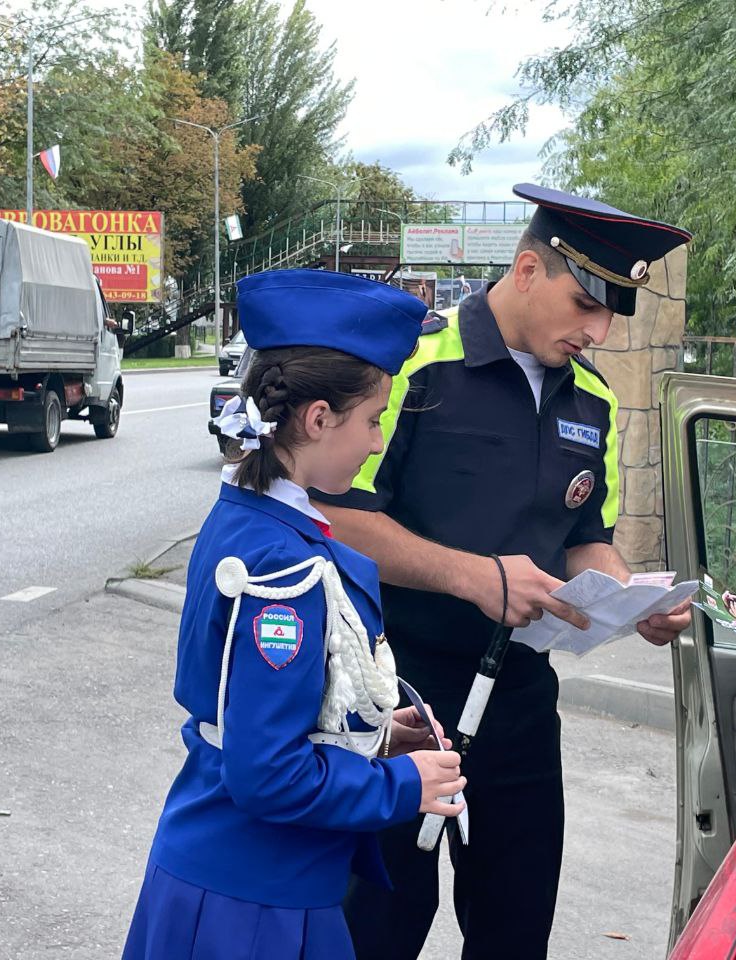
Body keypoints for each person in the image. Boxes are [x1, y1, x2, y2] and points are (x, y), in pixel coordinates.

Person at [315, 184, 693, 959]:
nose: (599, 330)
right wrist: (474, 576)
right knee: (377, 926)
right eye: (586, 304)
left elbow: (587, 536)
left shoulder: (592, 400)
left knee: (514, 929)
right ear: (527, 271)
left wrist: (629, 598)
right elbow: (338, 516)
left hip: (519, 702)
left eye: (612, 314)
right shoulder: (414, 365)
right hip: (400, 697)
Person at [122, 269, 468, 960]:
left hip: (235, 876)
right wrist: (402, 783)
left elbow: (258, 711)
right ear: (317, 419)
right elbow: (267, 773)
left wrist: (369, 734)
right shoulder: (283, 564)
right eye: (373, 421)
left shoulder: (251, 514)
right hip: (253, 899)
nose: (376, 442)